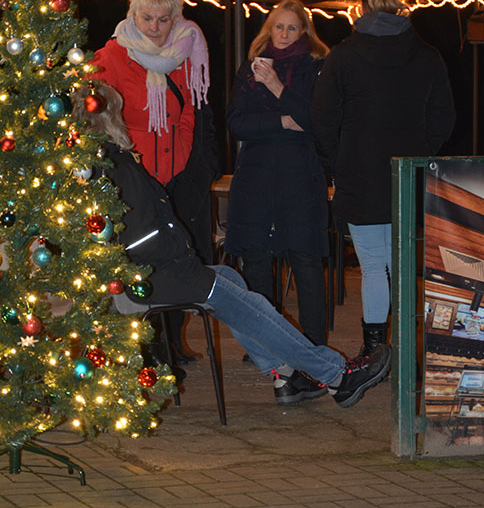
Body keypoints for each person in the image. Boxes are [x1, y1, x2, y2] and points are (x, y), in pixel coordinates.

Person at [71, 81, 391, 409]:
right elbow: (140, 236)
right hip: (153, 276)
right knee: (245, 307)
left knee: (233, 280)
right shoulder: (110, 164)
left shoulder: (102, 161)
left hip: (152, 272)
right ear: (108, 116)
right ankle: (338, 376)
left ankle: (285, 376)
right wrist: (182, 257)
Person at [311, 0, 456, 358]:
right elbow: (444, 117)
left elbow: (322, 118)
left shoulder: (342, 56)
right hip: (409, 175)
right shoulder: (427, 56)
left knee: (374, 265)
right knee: (406, 265)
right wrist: (421, 153)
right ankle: (408, 348)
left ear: (360, 9)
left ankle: (375, 353)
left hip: (360, 174)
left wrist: (337, 162)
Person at [92, 0, 220, 368]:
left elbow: (191, 113)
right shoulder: (110, 57)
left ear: (174, 18)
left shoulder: (185, 53)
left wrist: (180, 157)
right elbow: (97, 117)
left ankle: (173, 339)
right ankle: (142, 348)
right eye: (147, 18)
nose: (155, 27)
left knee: (179, 256)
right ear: (133, 15)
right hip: (133, 181)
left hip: (173, 177)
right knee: (136, 263)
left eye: (163, 19)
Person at [225, 0, 330, 372]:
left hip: (300, 177)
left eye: (291, 28)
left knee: (304, 259)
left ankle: (315, 347)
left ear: (304, 32)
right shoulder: (248, 68)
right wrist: (282, 122)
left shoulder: (316, 68)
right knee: (257, 259)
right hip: (255, 177)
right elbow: (237, 124)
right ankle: (266, 344)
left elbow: (317, 120)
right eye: (278, 27)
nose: (283, 35)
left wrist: (276, 88)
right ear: (268, 30)